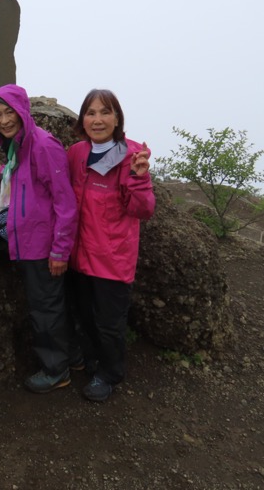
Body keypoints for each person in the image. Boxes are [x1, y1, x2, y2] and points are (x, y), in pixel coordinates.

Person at [0, 84, 78, 393]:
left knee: (45, 309)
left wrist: (60, 251)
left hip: (43, 245)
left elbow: (65, 202)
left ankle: (55, 370)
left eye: (9, 111)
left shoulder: (43, 145)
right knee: (51, 304)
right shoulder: (19, 146)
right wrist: (3, 169)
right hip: (28, 240)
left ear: (23, 110)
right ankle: (73, 357)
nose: (4, 119)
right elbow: (25, 176)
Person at [66, 89, 155, 402]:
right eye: (90, 113)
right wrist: (6, 168)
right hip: (78, 256)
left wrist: (140, 179)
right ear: (82, 119)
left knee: (109, 324)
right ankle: (92, 362)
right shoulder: (76, 153)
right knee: (85, 317)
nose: (97, 119)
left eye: (105, 112)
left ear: (117, 118)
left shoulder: (131, 155)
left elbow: (142, 211)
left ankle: (110, 373)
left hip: (113, 259)